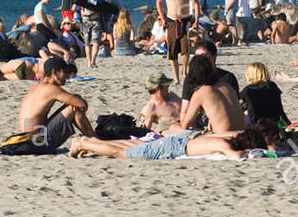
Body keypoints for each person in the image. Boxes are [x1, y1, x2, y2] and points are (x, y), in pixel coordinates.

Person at [70, 123, 279, 160]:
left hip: (183, 139)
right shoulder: (226, 145)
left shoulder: (233, 135)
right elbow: (237, 155)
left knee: (133, 146)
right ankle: (83, 144)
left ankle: (88, 141)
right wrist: (261, 152)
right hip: (174, 146)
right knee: (122, 154)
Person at [15, 58, 95, 152]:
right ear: (54, 72)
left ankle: (93, 138)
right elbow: (82, 104)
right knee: (74, 108)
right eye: (65, 72)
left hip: (28, 141)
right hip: (38, 142)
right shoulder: (51, 89)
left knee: (73, 104)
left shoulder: (38, 87)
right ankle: (94, 140)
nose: (67, 76)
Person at [155, 0, 201, 87]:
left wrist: (196, 20)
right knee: (172, 50)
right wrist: (162, 17)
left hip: (185, 19)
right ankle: (176, 78)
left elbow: (196, 3)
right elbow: (158, 3)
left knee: (185, 48)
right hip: (171, 20)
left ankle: (184, 72)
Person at [176, 58, 244, 133]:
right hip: (242, 135)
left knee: (173, 127)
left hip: (224, 138)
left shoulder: (201, 93)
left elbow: (185, 125)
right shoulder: (227, 86)